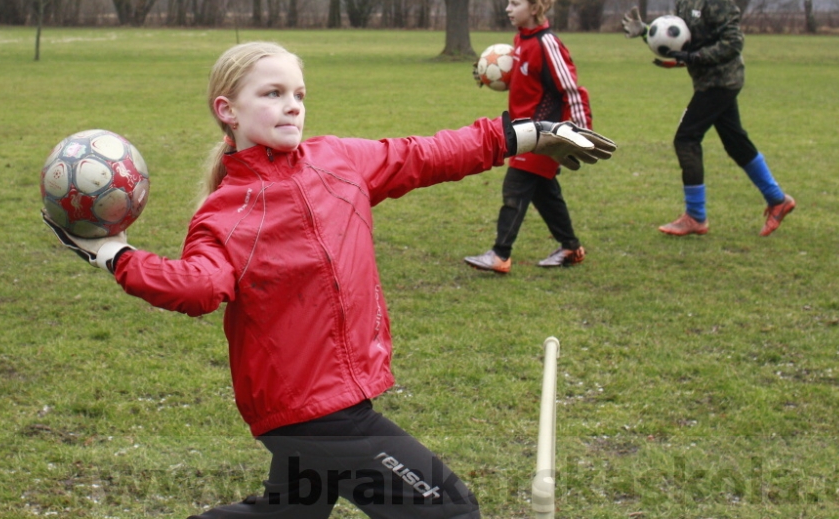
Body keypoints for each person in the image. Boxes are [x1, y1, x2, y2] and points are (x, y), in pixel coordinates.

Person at [41, 41, 616, 518]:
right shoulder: (226, 212)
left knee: (289, 513)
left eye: (298, 94)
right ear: (228, 110)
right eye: (272, 94)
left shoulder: (338, 161)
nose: (292, 106)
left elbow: (428, 153)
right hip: (312, 411)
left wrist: (527, 133)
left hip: (330, 397)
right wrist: (116, 255)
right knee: (449, 510)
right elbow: (198, 286)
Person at [622, 0, 795, 237]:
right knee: (735, 142)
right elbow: (681, 41)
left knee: (686, 139)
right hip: (709, 82)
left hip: (721, 82)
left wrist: (695, 58)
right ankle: (778, 200)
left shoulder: (718, 0)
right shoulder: (685, 0)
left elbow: (733, 43)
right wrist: (646, 31)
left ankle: (695, 216)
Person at [465, 0, 594, 274]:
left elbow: (570, 89)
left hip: (544, 132)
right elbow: (529, 83)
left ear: (534, 7)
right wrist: (490, 77)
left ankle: (500, 254)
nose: (508, 9)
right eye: (508, 3)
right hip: (525, 129)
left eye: (515, 3)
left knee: (516, 186)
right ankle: (571, 247)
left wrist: (580, 131)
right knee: (543, 192)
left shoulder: (547, 43)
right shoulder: (520, 40)